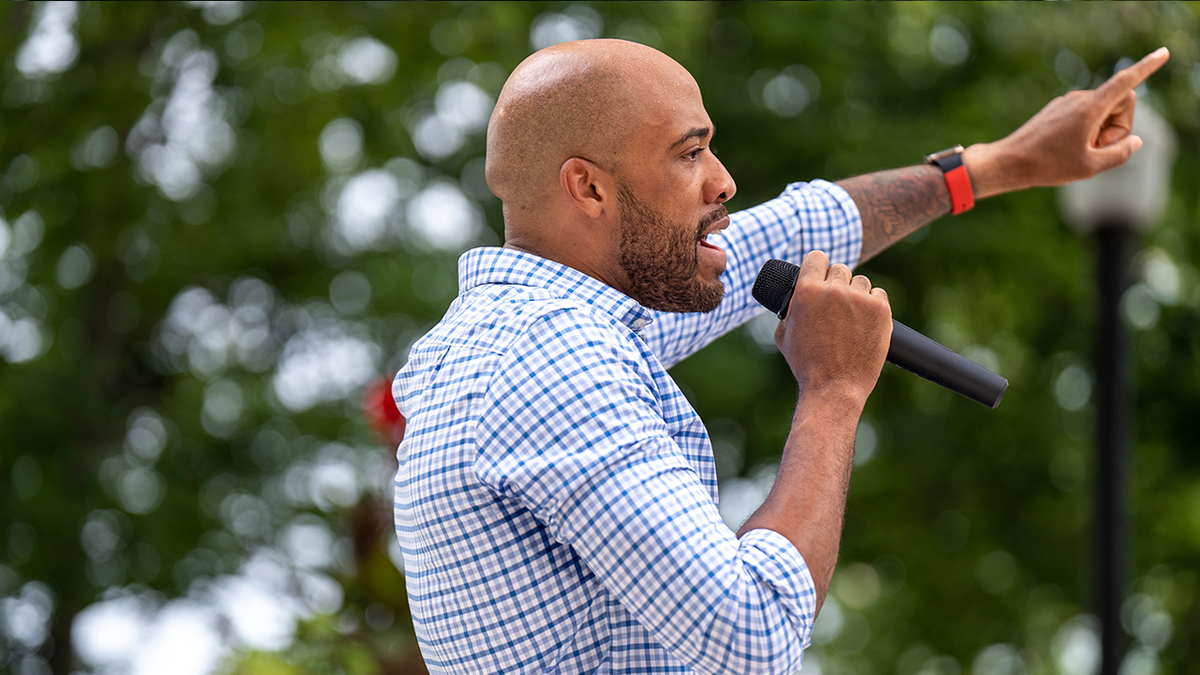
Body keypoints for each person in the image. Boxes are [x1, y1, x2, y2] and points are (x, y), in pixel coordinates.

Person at [391, 39, 1168, 674]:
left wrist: (1002, 164)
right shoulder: (554, 361)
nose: (723, 182)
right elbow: (751, 633)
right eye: (689, 154)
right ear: (588, 189)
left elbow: (794, 230)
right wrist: (832, 389)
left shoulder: (529, 333)